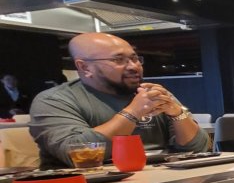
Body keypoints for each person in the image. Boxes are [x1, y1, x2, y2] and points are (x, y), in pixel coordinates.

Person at [29, 32, 208, 169]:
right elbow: (76, 152)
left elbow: (199, 148)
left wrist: (177, 113)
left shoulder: (153, 93)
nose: (134, 66)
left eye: (134, 58)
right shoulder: (54, 100)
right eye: (118, 60)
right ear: (85, 67)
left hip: (161, 181)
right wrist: (133, 112)